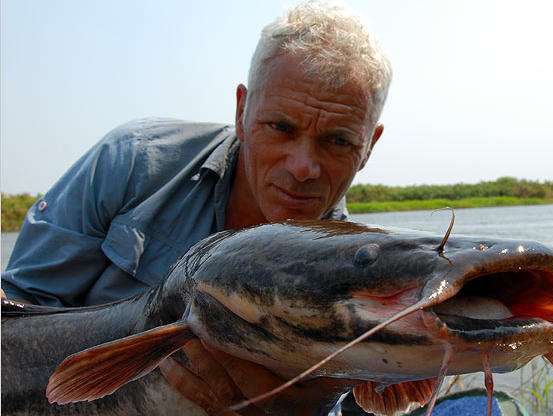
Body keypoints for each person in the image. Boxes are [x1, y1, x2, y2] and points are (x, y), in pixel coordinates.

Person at [2, 1, 390, 414]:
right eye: (280, 127)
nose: (302, 167)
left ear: (369, 146)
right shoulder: (134, 161)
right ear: (242, 111)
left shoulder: (368, 286)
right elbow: (19, 310)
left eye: (339, 141)